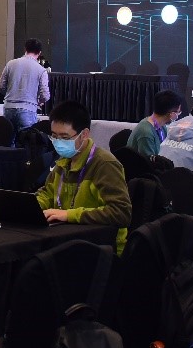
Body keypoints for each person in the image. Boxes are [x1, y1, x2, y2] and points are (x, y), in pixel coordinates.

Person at [36, 100, 132, 251]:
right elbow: (48, 193)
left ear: (84, 134)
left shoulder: (104, 164)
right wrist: (30, 207)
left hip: (100, 247)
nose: (58, 142)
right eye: (54, 136)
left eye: (65, 137)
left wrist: (69, 215)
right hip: (67, 238)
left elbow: (121, 213)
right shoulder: (64, 160)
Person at [0, 39, 51, 145]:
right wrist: (39, 102)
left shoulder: (10, 64)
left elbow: (1, 86)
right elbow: (45, 95)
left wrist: (11, 95)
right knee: (27, 144)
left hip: (9, 107)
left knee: (8, 143)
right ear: (39, 53)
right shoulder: (41, 70)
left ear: (25, 49)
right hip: (28, 109)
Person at [128, 90, 182, 159]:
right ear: (172, 114)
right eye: (178, 112)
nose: (178, 115)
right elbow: (149, 163)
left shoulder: (162, 126)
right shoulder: (146, 133)